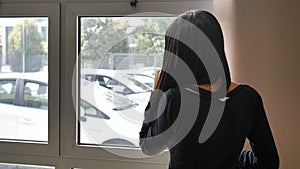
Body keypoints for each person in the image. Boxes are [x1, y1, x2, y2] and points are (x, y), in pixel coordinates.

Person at [139, 10, 279, 169]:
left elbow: (148, 147)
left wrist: (156, 96)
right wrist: (232, 158)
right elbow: (269, 162)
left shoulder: (173, 100)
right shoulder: (248, 97)